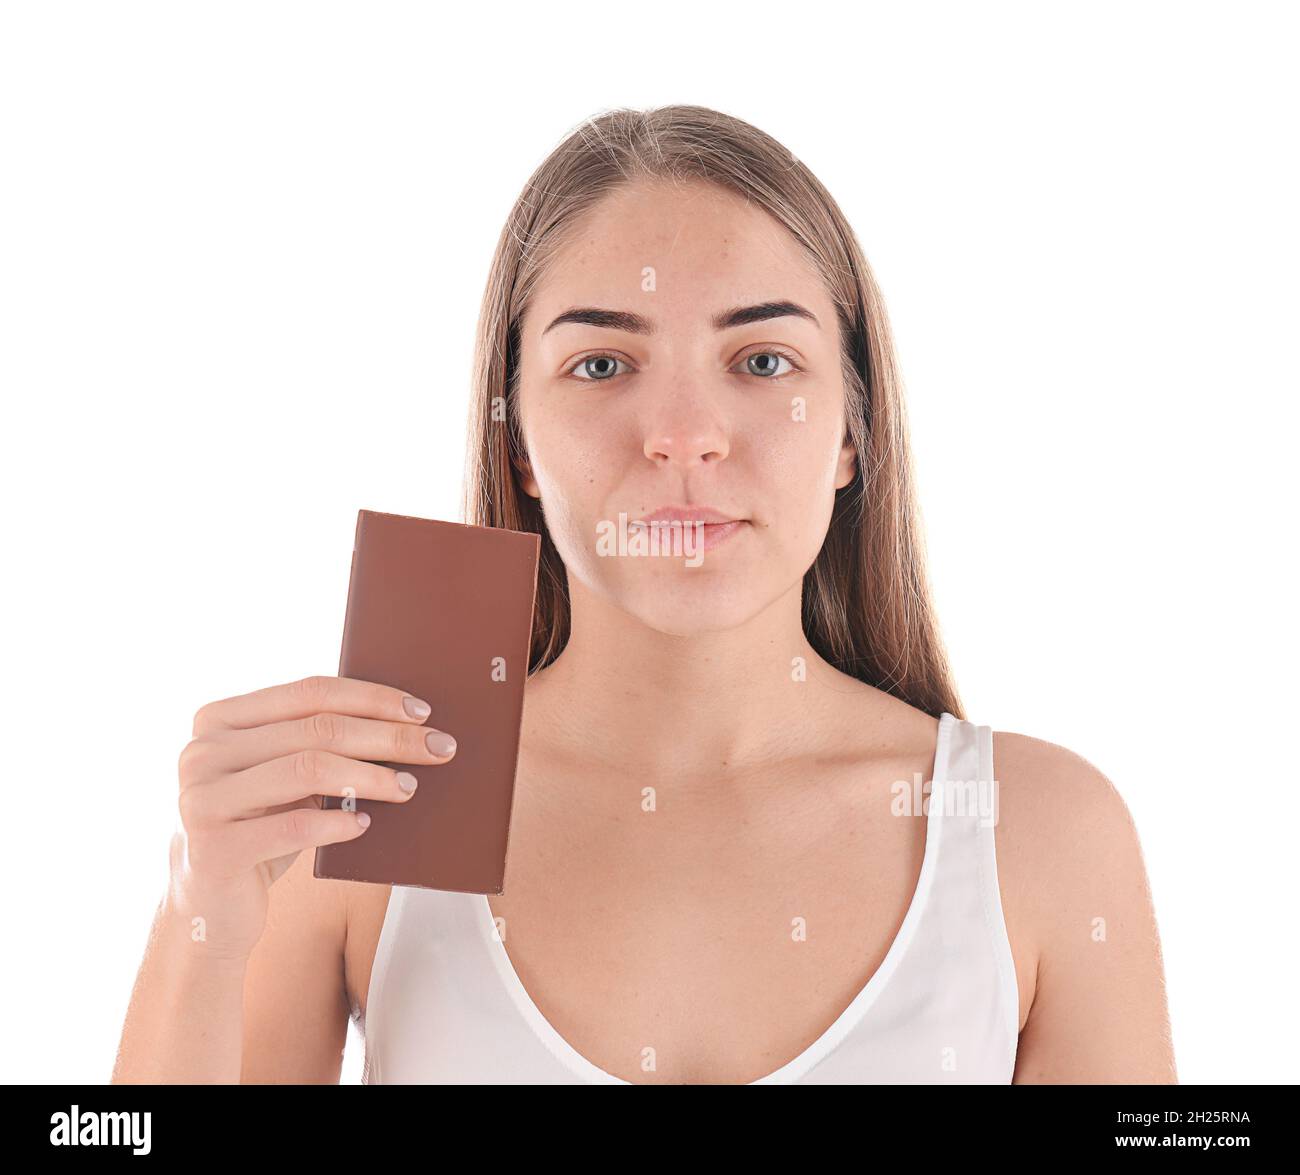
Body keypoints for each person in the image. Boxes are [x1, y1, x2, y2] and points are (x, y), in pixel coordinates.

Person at [113, 104, 1175, 1084]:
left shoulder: (1036, 832)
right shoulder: (364, 809)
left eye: (761, 360)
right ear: (516, 440)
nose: (682, 434)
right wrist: (200, 912)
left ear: (852, 432)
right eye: (600, 364)